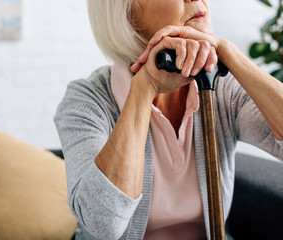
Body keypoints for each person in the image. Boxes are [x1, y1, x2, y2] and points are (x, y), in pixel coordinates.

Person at [54, 0, 283, 239]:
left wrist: (228, 52)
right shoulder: (85, 102)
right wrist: (144, 88)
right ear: (127, 11)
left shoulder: (222, 87)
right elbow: (103, 224)